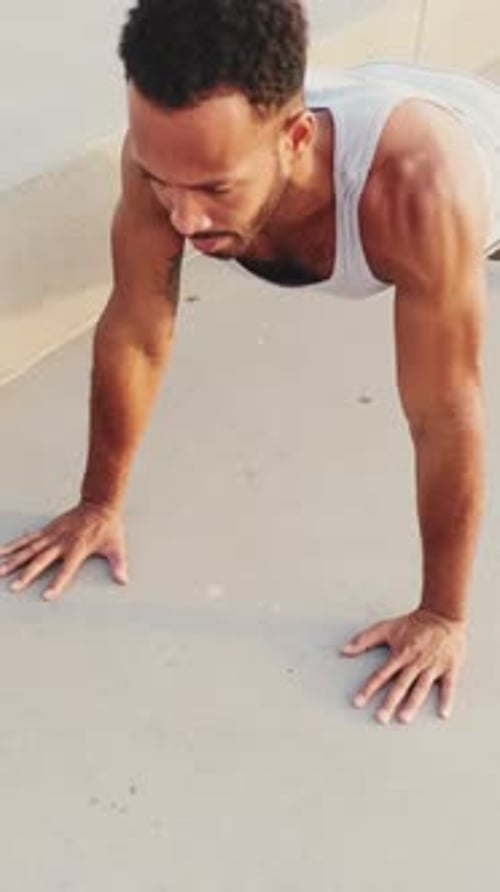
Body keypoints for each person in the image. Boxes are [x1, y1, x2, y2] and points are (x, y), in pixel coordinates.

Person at [1, 0, 500, 726]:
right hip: (372, 89)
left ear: (295, 140)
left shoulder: (419, 193)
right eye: (161, 181)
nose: (181, 218)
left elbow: (444, 411)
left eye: (214, 190)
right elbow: (138, 328)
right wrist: (97, 502)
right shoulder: (169, 161)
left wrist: (443, 614)